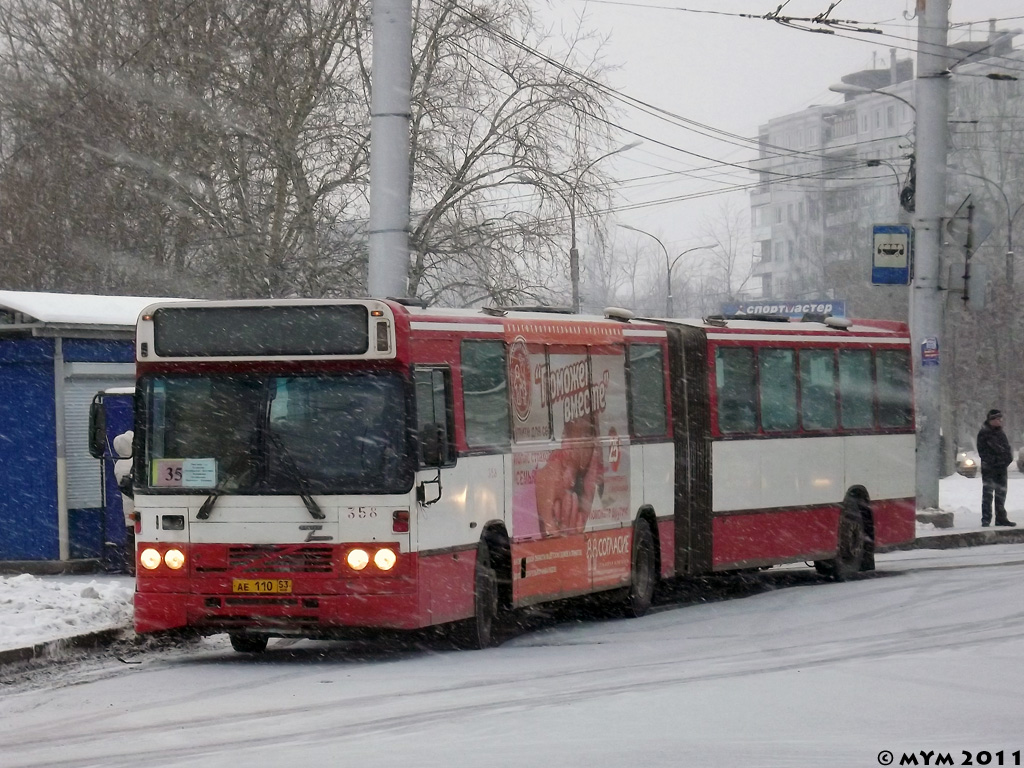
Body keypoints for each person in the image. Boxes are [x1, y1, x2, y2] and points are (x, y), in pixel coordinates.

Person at [976, 409, 1016, 527]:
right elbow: (983, 452)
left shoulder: (1000, 433)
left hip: (1001, 468)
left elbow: (1006, 449)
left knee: (1001, 493)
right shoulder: (984, 433)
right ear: (991, 420)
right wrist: (994, 462)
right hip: (990, 469)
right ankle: (986, 519)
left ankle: (1001, 517)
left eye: (1000, 419)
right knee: (988, 494)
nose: (1000, 421)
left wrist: (1006, 460)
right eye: (997, 419)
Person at [112, 430, 137, 573]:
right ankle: (136, 565)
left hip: (128, 509)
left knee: (131, 537)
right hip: (140, 506)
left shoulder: (119, 464)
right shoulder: (132, 463)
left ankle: (132, 565)